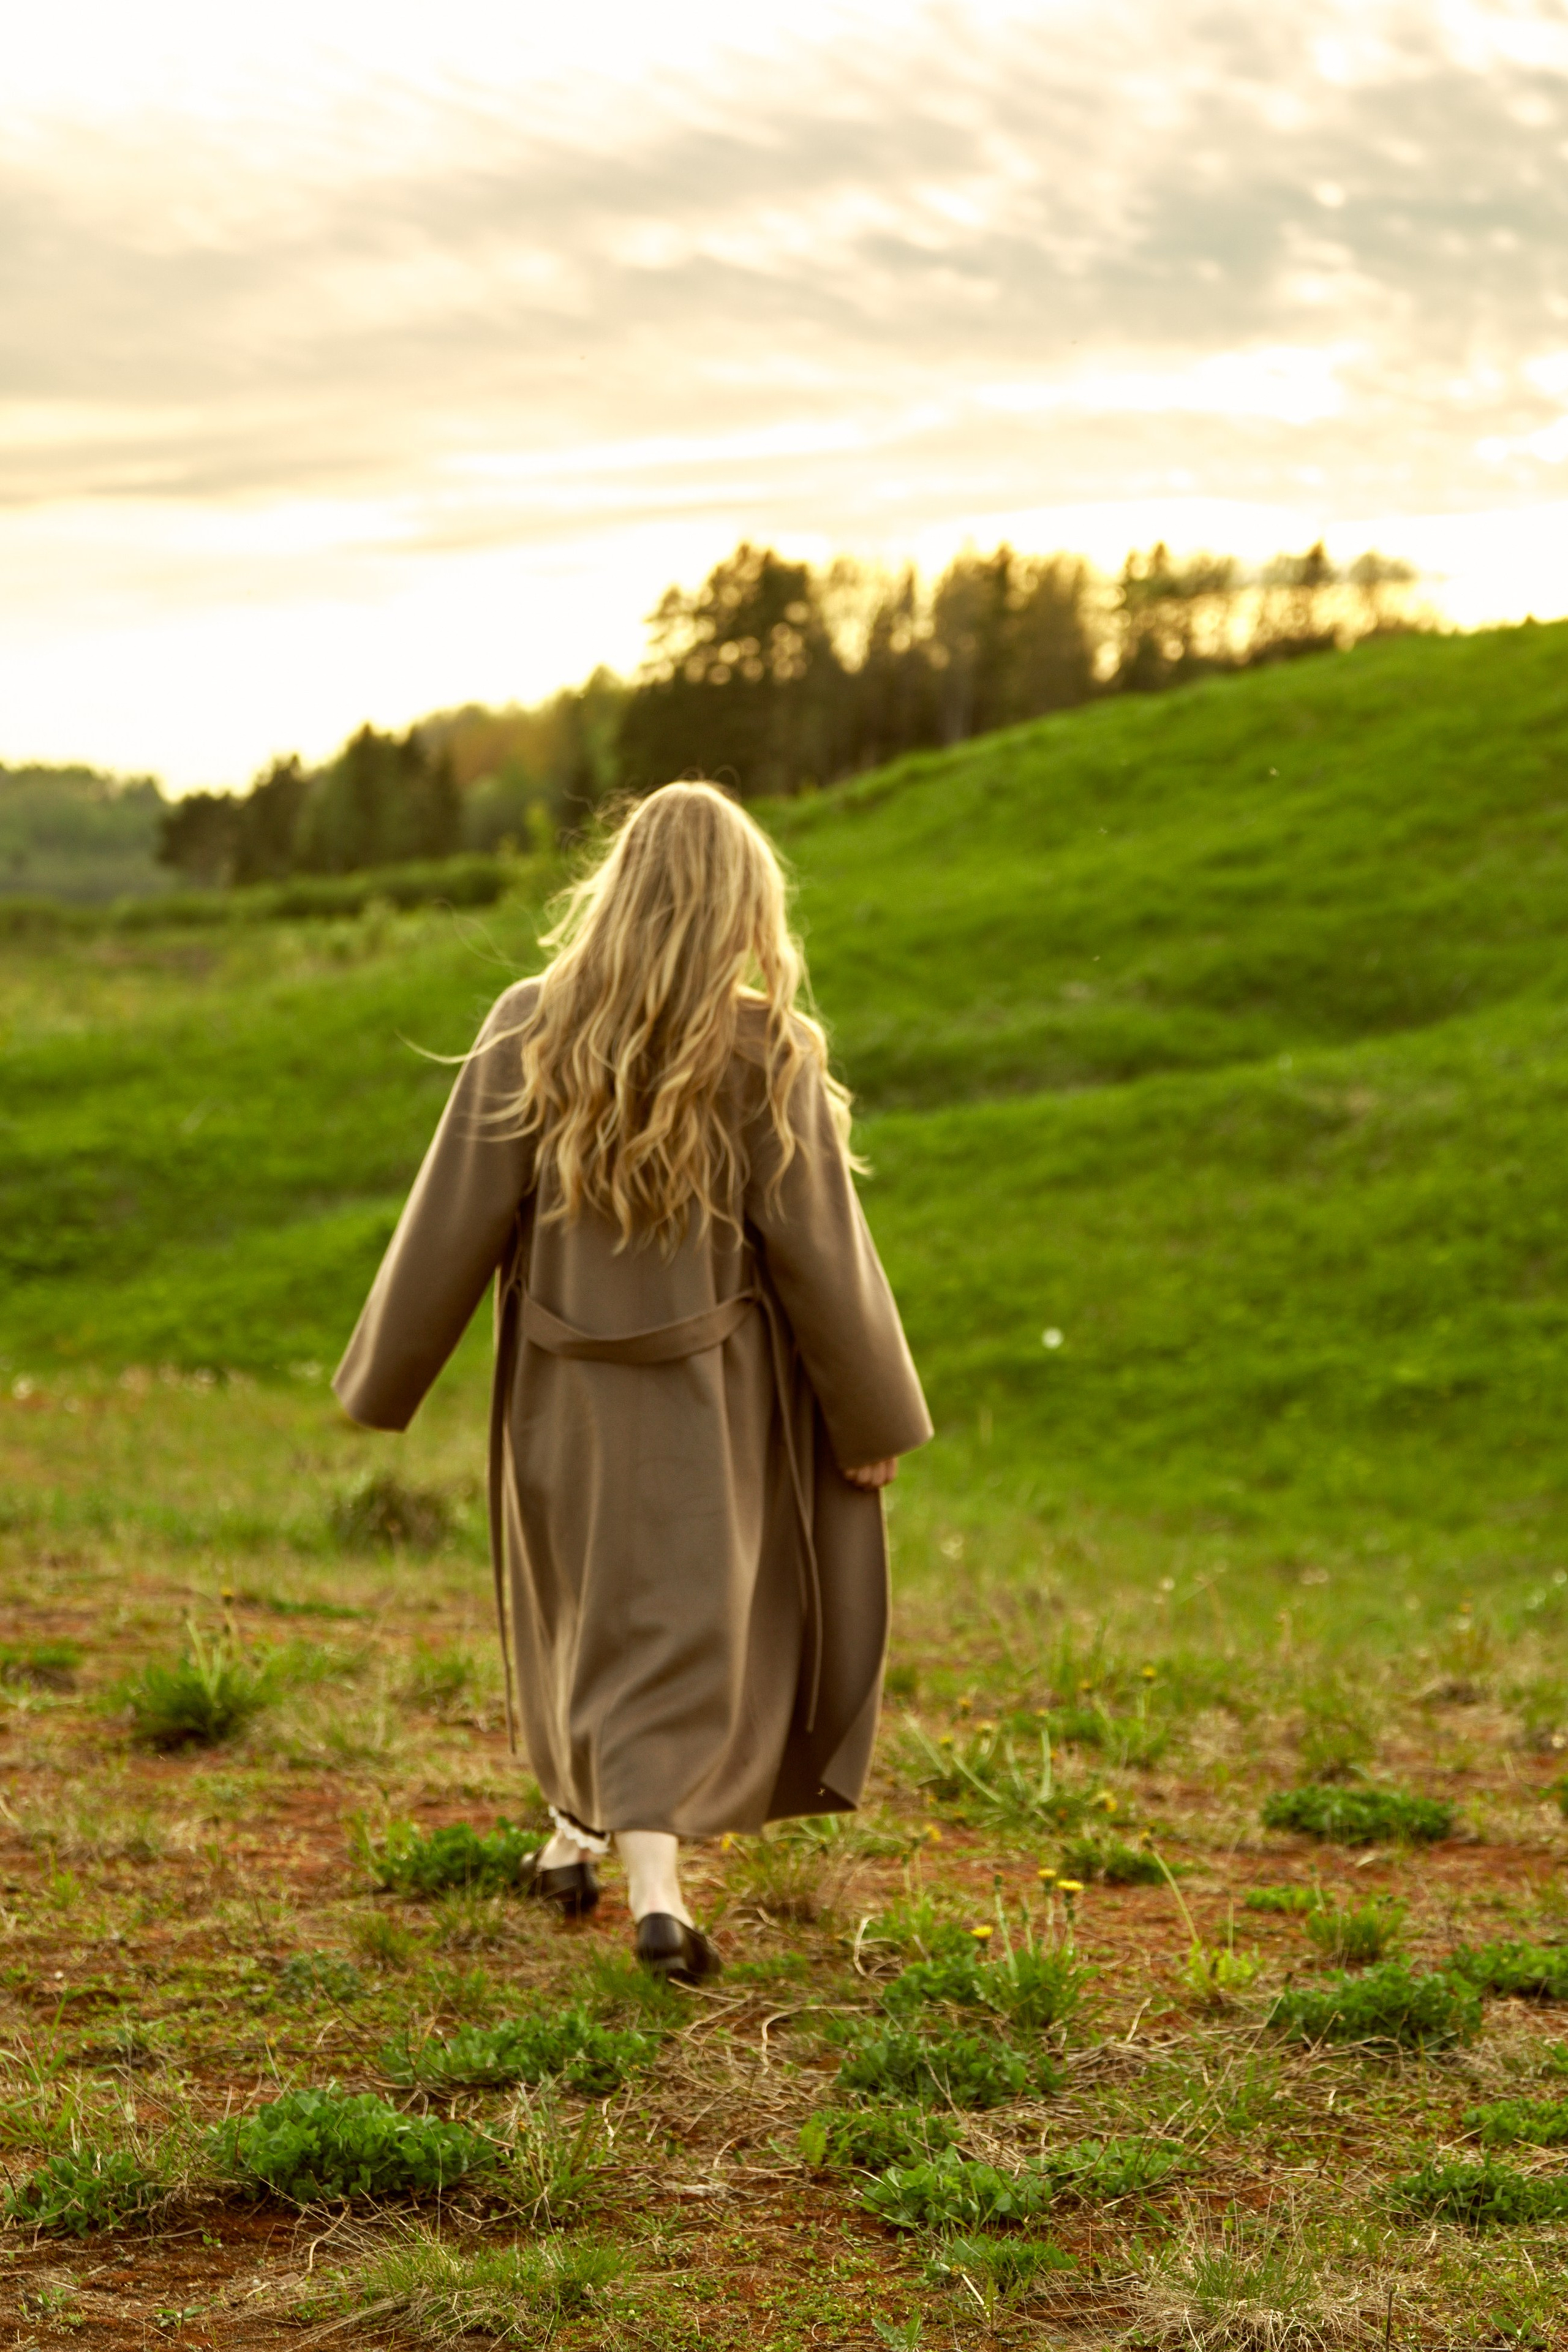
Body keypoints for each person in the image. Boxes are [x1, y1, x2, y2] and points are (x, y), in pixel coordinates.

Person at [334, 781, 932, 1982]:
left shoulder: (527, 1024)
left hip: (560, 1396)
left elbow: (451, 1221)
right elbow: (823, 1252)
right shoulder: (766, 1048)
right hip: (710, 1403)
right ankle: (656, 1893)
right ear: (740, 910)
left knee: (585, 1615)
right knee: (674, 1631)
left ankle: (575, 1840)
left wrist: (385, 1376)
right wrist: (867, 1418)